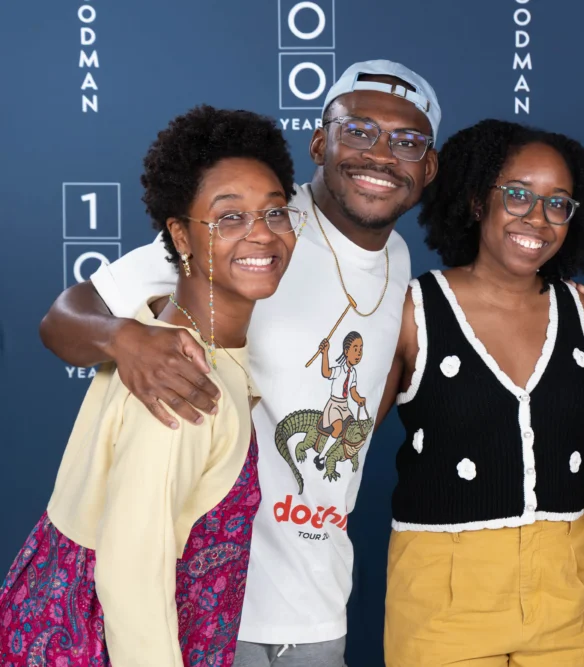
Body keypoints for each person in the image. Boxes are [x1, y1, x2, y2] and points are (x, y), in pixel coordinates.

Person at [37, 60, 440, 667]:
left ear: (427, 167)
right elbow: (63, 321)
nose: (380, 155)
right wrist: (124, 338)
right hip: (210, 604)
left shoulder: (400, 259)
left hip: (317, 602)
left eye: (406, 141)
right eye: (357, 131)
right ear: (319, 141)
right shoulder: (252, 225)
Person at [0, 106, 298, 666]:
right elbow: (130, 579)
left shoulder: (172, 333)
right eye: (229, 217)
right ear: (181, 235)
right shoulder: (180, 377)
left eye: (275, 211)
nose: (262, 233)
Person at [375, 119, 584, 666]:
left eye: (558, 203)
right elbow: (343, 439)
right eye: (519, 195)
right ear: (479, 201)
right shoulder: (413, 311)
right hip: (444, 594)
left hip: (567, 591)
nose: (538, 217)